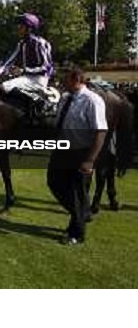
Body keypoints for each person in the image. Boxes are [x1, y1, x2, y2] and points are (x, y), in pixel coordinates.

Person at [47, 66, 107, 245]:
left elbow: (101, 131)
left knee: (78, 192)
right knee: (53, 182)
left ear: (76, 80)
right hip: (62, 149)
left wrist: (89, 160)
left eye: (66, 80)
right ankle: (82, 212)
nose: (62, 83)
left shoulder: (92, 101)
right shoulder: (65, 98)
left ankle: (76, 233)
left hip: (81, 152)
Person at [0, 12, 54, 104]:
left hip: (39, 79)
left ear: (29, 29)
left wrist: (24, 70)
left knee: (5, 86)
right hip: (26, 77)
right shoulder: (21, 44)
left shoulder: (40, 43)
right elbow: (9, 61)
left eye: (21, 26)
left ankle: (38, 104)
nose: (18, 28)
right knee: (1, 83)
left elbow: (46, 67)